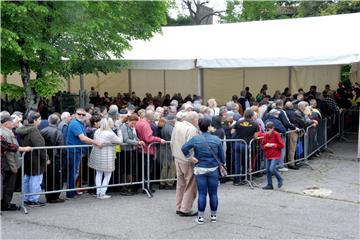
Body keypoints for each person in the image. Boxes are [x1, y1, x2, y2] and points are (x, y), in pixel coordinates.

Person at [181, 118, 225, 225]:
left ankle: (200, 218)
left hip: (200, 168)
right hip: (213, 168)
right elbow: (222, 158)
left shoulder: (196, 138)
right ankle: (213, 216)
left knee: (202, 193)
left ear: (199, 127)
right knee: (213, 194)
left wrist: (190, 157)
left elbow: (184, 148)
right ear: (209, 126)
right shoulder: (216, 139)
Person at [66, 108, 102, 199]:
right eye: (79, 114)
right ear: (75, 114)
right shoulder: (75, 124)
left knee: (75, 172)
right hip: (74, 151)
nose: (81, 116)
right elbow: (82, 138)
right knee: (73, 173)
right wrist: (95, 142)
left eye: (83, 114)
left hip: (77, 151)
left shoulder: (80, 123)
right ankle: (70, 193)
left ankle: (72, 192)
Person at [1, 112, 32, 211]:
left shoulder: (7, 131)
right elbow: (9, 151)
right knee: (8, 186)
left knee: (7, 185)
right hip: (8, 164)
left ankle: (5, 203)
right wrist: (13, 167)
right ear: (6, 123)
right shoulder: (4, 133)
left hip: (8, 163)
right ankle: (5, 204)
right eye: (11, 121)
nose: (13, 123)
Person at [16, 112, 48, 206]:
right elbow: (40, 146)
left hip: (26, 157)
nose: (40, 121)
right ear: (34, 120)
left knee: (27, 178)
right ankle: (33, 199)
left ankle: (26, 198)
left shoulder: (22, 128)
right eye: (39, 119)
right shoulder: (34, 130)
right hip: (35, 159)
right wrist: (45, 158)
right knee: (35, 180)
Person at [171, 111, 199, 217]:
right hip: (187, 161)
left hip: (177, 158)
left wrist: (175, 154)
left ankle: (179, 207)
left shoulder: (177, 126)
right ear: (195, 120)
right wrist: (192, 159)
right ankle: (185, 209)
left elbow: (172, 142)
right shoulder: (192, 129)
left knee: (181, 185)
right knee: (191, 185)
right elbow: (191, 146)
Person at [88, 118, 123, 199]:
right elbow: (120, 141)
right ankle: (102, 193)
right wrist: (119, 129)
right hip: (107, 156)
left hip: (97, 155)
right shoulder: (110, 134)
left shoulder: (97, 131)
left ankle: (98, 193)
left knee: (99, 173)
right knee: (108, 174)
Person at [40, 114, 66, 203]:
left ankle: (49, 196)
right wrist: (62, 159)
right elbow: (61, 147)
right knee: (57, 177)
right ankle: (54, 196)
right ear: (58, 121)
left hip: (46, 157)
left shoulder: (43, 130)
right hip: (56, 158)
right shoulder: (58, 132)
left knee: (47, 177)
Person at [231, 109, 259, 185]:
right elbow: (256, 136)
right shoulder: (255, 124)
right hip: (246, 144)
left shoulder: (238, 122)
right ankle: (244, 178)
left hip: (237, 144)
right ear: (251, 115)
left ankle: (236, 180)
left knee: (237, 163)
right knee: (245, 162)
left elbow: (232, 132)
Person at [262, 122, 285, 190]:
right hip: (268, 154)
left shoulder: (276, 134)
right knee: (267, 170)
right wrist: (265, 146)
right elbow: (263, 144)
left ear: (272, 129)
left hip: (275, 154)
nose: (267, 131)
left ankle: (280, 178)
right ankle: (270, 184)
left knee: (272, 168)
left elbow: (282, 145)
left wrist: (273, 145)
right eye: (266, 129)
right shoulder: (265, 135)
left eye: (268, 129)